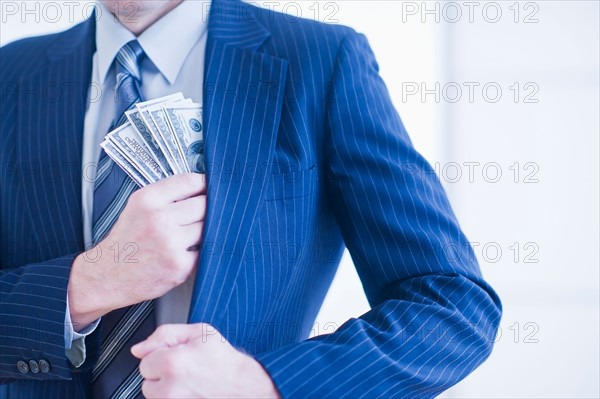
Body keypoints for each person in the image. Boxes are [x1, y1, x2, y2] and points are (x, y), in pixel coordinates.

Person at [0, 0, 502, 397]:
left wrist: (265, 383)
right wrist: (85, 286)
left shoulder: (323, 62)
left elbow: (453, 306)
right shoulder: (10, 76)